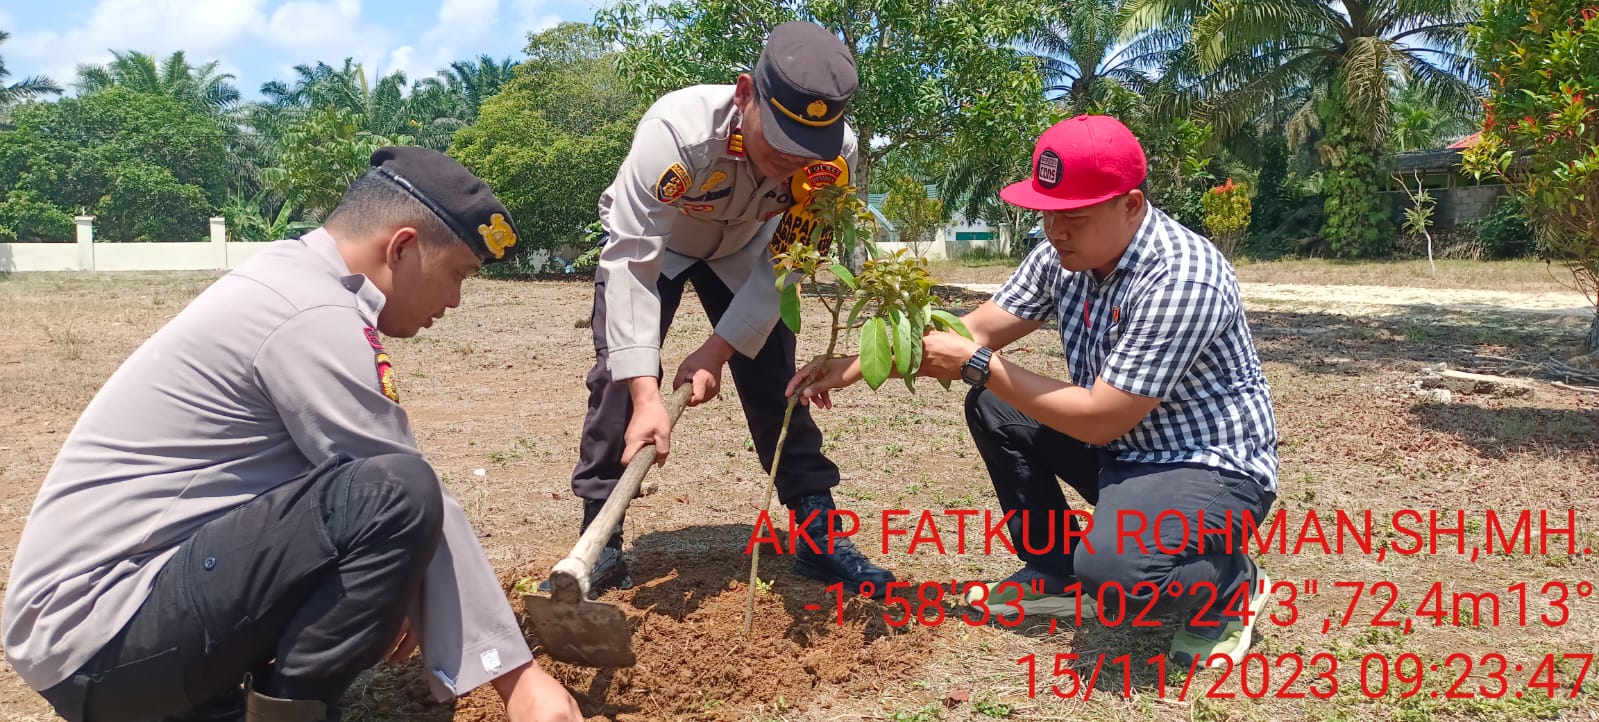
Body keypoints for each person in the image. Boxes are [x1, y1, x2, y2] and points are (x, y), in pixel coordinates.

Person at [2, 147, 582, 722]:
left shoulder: (290, 278)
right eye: (457, 274)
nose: (455, 300)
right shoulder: (309, 312)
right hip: (100, 632)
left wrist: (403, 581)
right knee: (398, 492)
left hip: (102, 631)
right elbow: (396, 489)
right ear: (402, 247)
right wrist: (517, 680)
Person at [788, 114, 1281, 667]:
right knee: (996, 405)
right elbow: (973, 330)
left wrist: (979, 365)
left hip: (1206, 465)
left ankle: (1231, 585)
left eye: (1075, 216)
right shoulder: (1062, 256)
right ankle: (1053, 569)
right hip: (1124, 450)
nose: (1055, 230)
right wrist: (854, 364)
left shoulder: (1181, 279)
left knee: (1118, 578)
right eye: (1047, 212)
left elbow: (1101, 418)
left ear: (1132, 206)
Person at [552, 20, 895, 599]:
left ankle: (817, 531)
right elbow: (633, 260)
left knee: (778, 386)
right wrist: (646, 394)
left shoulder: (835, 157)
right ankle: (599, 543)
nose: (790, 160)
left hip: (748, 253)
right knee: (618, 383)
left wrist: (719, 348)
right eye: (779, 140)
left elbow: (789, 260)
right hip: (657, 250)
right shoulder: (676, 133)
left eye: (806, 148)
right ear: (745, 96)